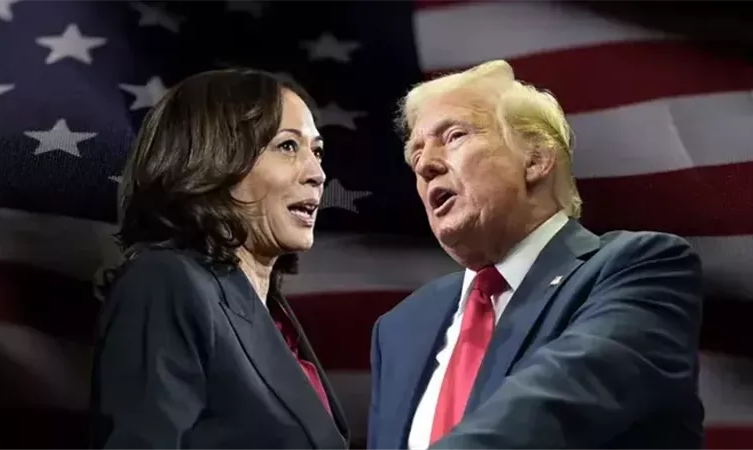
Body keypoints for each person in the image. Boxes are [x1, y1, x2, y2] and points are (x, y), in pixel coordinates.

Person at [367, 60, 704, 450]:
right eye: (415, 156)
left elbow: (555, 404)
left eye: (455, 136)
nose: (426, 165)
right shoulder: (400, 328)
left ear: (536, 159)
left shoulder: (640, 268)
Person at [90, 68, 349, 450]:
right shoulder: (164, 282)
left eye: (317, 151)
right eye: (288, 146)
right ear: (216, 161)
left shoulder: (273, 316)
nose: (317, 173)